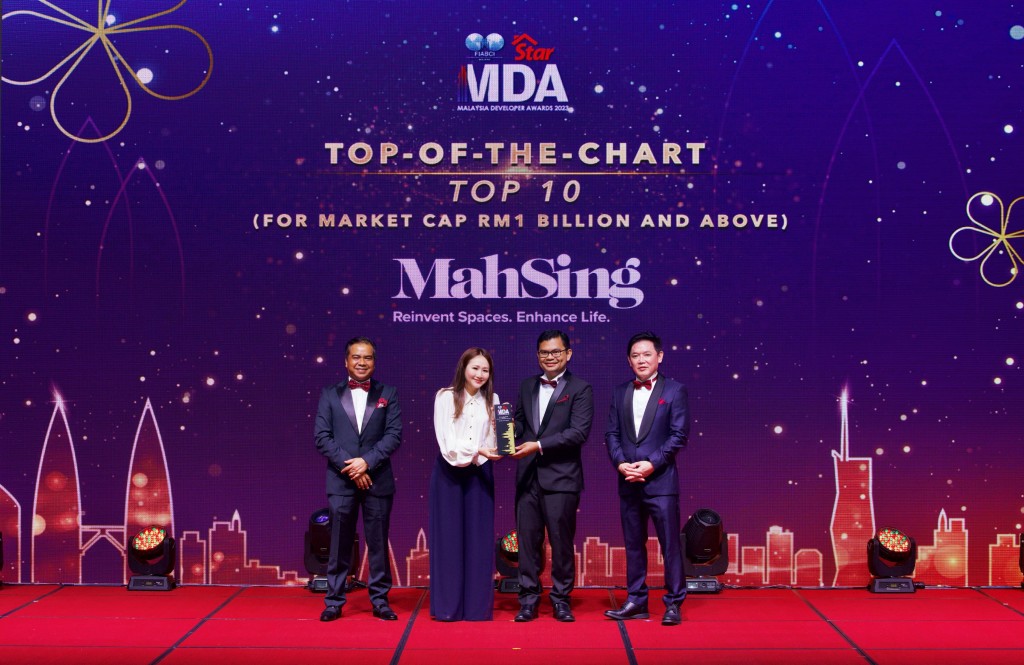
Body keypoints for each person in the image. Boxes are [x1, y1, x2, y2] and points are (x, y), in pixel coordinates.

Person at [604, 331, 690, 626]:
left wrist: (651, 464)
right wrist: (620, 464)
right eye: (635, 356)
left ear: (660, 357)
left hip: (661, 482)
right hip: (628, 481)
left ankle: (674, 602)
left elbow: (679, 436)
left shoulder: (675, 390)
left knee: (669, 545)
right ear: (629, 361)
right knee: (633, 544)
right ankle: (636, 600)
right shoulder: (619, 392)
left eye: (647, 354)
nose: (641, 360)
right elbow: (611, 434)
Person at [315, 337, 402, 622]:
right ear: (346, 361)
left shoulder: (388, 392)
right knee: (339, 543)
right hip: (341, 481)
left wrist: (367, 463)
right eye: (356, 357)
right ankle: (334, 600)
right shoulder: (329, 394)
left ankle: (380, 600)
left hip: (378, 479)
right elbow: (322, 438)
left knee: (377, 544)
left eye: (367, 358)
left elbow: (393, 436)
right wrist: (352, 467)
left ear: (374, 362)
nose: (361, 363)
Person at [510, 330, 594, 623]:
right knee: (527, 542)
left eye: (556, 352)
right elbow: (520, 423)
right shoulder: (526, 386)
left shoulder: (581, 388)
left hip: (562, 478)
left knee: (561, 542)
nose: (550, 357)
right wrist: (505, 433)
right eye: (544, 352)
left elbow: (578, 433)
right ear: (537, 355)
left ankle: (561, 599)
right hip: (527, 478)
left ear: (568, 354)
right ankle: (529, 600)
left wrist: (539, 445)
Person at [429, 348, 504, 621]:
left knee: (480, 540)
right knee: (448, 540)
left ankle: (476, 609)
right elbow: (447, 444)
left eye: (485, 370)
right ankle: (448, 607)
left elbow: (494, 440)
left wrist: (501, 442)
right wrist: (479, 451)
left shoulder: (493, 399)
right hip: (449, 473)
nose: (480, 375)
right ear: (463, 368)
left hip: (480, 473)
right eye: (475, 368)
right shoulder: (446, 397)